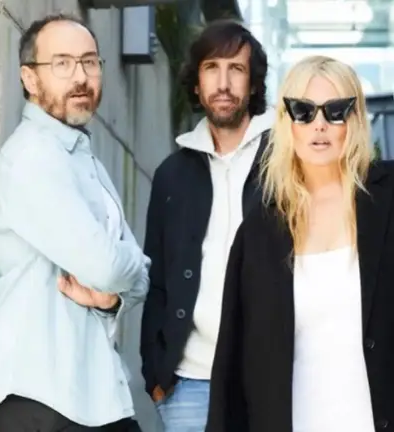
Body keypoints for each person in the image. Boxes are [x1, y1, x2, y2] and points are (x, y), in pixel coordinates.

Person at [205, 55, 394, 432]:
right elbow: (234, 362)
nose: (320, 125)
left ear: (355, 118)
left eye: (335, 111)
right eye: (303, 111)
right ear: (286, 121)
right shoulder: (260, 231)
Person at [0, 14, 148, 432]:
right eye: (62, 63)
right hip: (40, 398)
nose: (80, 77)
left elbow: (140, 282)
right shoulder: (32, 156)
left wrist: (112, 298)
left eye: (90, 62)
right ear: (30, 78)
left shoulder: (86, 160)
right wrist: (129, 264)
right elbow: (109, 266)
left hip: (97, 398)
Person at [140, 20, 274, 431]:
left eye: (237, 69)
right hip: (189, 384)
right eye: (212, 68)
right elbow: (157, 279)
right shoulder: (171, 175)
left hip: (268, 379)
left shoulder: (285, 162)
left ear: (254, 84)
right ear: (196, 84)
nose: (223, 83)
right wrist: (155, 374)